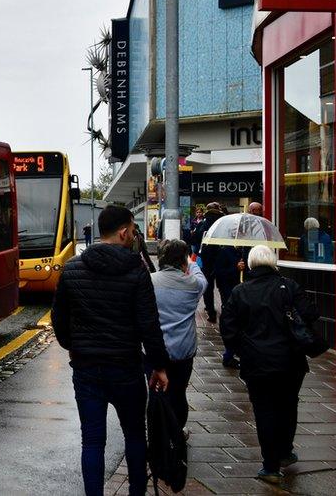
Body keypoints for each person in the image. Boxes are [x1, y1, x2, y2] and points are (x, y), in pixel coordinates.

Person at [53, 205, 170, 496]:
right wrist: (159, 366)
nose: (133, 236)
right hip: (126, 368)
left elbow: (59, 319)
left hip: (86, 369)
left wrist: (74, 347)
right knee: (134, 434)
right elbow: (149, 324)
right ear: (122, 232)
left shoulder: (72, 269)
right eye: (132, 230)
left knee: (92, 440)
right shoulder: (136, 270)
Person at [220, 245, 319, 484]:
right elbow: (311, 313)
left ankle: (270, 466)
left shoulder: (240, 291)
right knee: (288, 405)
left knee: (264, 410)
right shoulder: (289, 286)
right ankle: (285, 451)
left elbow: (228, 329)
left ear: (251, 264)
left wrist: (242, 350)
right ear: (273, 262)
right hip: (290, 361)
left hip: (256, 362)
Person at [150, 239, 207, 434]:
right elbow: (202, 277)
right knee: (178, 392)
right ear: (183, 261)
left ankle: (157, 433)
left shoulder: (149, 281)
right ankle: (177, 432)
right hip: (183, 350)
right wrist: (190, 262)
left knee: (155, 393)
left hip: (153, 350)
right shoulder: (194, 284)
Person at [193, 202, 224, 322]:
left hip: (207, 259)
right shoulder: (224, 223)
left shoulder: (203, 223)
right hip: (223, 258)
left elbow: (195, 239)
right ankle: (226, 308)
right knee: (223, 287)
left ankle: (211, 312)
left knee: (208, 287)